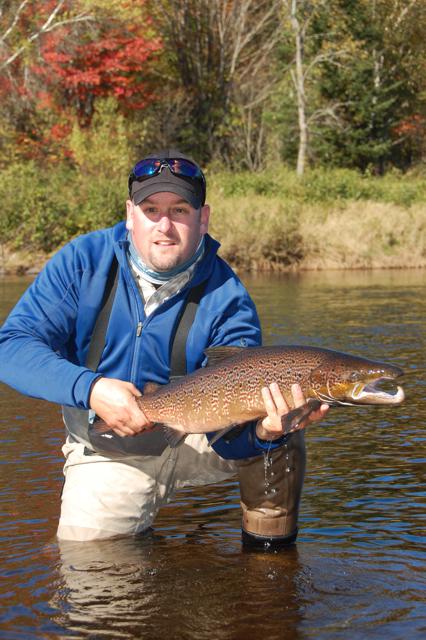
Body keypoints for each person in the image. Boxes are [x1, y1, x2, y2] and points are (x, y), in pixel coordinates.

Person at [0, 149, 328, 547]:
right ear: (129, 213)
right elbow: (11, 347)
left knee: (284, 437)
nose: (164, 226)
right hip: (109, 448)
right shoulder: (82, 263)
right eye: (151, 209)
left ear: (202, 219)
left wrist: (264, 431)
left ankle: (267, 564)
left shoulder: (228, 298)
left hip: (201, 438)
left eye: (180, 211)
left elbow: (231, 438)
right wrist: (91, 389)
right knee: (90, 577)